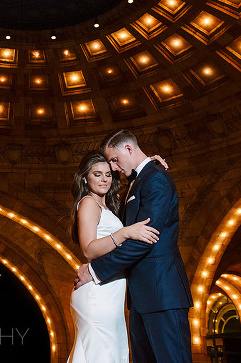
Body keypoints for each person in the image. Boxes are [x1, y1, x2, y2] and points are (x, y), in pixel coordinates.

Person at [75, 129, 193, 363]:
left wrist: (95, 270)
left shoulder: (155, 178)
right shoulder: (135, 183)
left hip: (162, 294)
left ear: (129, 149)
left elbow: (144, 240)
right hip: (139, 298)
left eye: (115, 161)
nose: (114, 169)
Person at [67, 150, 160, 363]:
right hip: (97, 294)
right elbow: (89, 249)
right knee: (103, 354)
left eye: (108, 174)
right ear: (85, 177)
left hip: (111, 291)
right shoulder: (88, 202)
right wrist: (125, 232)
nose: (104, 179)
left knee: (110, 353)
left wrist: (150, 163)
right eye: (97, 174)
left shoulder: (108, 205)